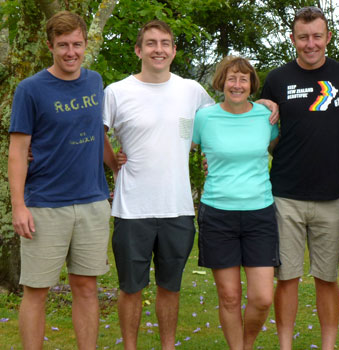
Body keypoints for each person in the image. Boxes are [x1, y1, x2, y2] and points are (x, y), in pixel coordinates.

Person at [103, 20, 278, 350]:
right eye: (151, 43)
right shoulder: (116, 91)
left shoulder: (192, 92)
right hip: (131, 209)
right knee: (131, 288)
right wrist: (114, 162)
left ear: (173, 50)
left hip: (179, 208)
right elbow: (99, 131)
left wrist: (269, 104)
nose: (159, 49)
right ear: (139, 50)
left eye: (165, 43)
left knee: (171, 287)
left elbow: (224, 124)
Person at [8, 11, 116, 350]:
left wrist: (115, 163)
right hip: (44, 206)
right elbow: (18, 149)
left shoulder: (95, 81)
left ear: (86, 43)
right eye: (63, 45)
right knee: (36, 291)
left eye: (77, 45)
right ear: (50, 46)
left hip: (92, 203)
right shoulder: (30, 90)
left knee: (86, 288)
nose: (71, 52)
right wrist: (19, 205)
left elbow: (97, 133)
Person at [260, 7, 339, 350]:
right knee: (286, 279)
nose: (311, 43)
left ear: (328, 37)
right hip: (285, 195)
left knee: (326, 279)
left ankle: (328, 346)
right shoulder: (276, 79)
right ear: (293, 39)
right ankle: (286, 345)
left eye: (317, 36)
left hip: (331, 195)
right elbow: (262, 131)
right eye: (303, 37)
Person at [192, 56, 279, 350]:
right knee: (229, 296)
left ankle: (247, 344)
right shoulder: (204, 118)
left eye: (243, 79)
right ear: (221, 82)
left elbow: (282, 148)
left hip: (259, 214)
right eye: (231, 78)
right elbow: (178, 147)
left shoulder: (266, 118)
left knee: (262, 297)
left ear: (252, 84)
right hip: (218, 214)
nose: (237, 84)